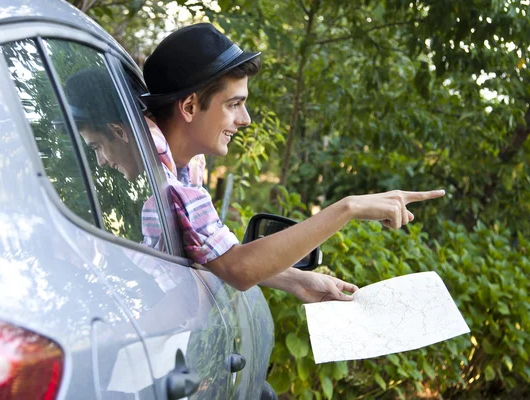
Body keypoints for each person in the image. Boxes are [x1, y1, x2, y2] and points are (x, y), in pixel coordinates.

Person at [140, 23, 445, 303]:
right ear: (190, 106)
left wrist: (298, 281)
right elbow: (237, 267)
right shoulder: (148, 168)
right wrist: (349, 208)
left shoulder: (182, 170)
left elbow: (215, 255)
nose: (245, 120)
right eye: (234, 104)